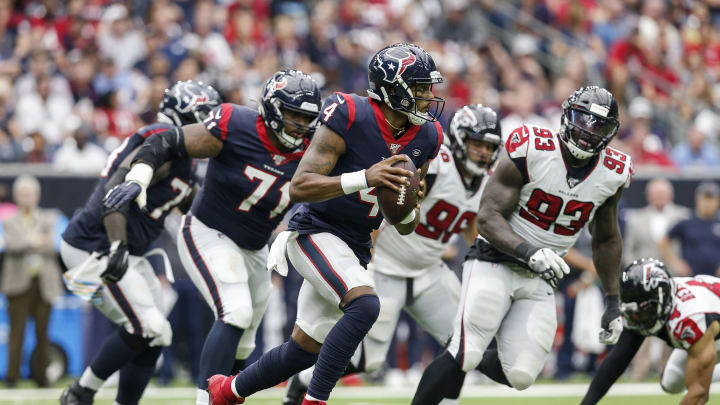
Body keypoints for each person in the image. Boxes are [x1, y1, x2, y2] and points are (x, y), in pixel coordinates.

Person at [205, 42, 445, 405]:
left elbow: (406, 224)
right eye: (421, 88)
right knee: (365, 305)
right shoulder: (350, 113)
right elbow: (300, 187)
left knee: (302, 350)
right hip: (313, 232)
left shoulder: (427, 136)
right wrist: (366, 176)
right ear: (393, 88)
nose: (429, 96)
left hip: (356, 244)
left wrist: (409, 203)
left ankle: (226, 391)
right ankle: (314, 401)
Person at [104, 69, 322, 405]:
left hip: (255, 246)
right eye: (293, 114)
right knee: (235, 312)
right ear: (272, 109)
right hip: (208, 231)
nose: (300, 124)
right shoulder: (237, 124)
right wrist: (140, 177)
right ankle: (204, 401)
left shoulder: (315, 147)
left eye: (307, 117)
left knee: (247, 339)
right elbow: (166, 141)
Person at [411, 86, 632, 405]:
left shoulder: (614, 172)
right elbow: (487, 217)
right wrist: (530, 251)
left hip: (542, 277)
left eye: (600, 127)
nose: (588, 134)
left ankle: (469, 355)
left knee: (521, 374)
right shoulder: (532, 146)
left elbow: (607, 238)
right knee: (465, 351)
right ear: (566, 117)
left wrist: (613, 300)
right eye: (583, 121)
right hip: (494, 261)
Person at [282, 104, 502, 405]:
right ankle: (305, 378)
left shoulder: (488, 179)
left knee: (463, 342)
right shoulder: (438, 165)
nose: (482, 153)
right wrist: (365, 260)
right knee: (368, 361)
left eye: (489, 147)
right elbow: (384, 205)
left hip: (428, 268)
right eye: (476, 144)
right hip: (385, 266)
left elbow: (472, 227)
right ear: (459, 140)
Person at [58, 80, 221, 405]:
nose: (209, 129)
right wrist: (117, 246)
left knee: (158, 334)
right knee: (148, 327)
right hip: (95, 246)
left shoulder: (186, 158)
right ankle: (80, 393)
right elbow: (114, 194)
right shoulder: (160, 143)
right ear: (180, 118)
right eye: (201, 120)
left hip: (125, 249)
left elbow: (187, 204)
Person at [580, 258, 720, 405]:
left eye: (643, 310)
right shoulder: (653, 304)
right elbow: (617, 361)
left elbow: (699, 394)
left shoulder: (690, 319)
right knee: (671, 381)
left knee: (697, 382)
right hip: (708, 317)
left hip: (711, 323)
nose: (636, 317)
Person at [1, 175, 64, 387]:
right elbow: (11, 245)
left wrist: (28, 242)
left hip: (44, 282)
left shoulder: (50, 217)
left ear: (37, 196)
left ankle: (42, 377)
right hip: (18, 283)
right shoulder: (8, 220)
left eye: (30, 194)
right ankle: (12, 377)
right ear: (17, 197)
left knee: (43, 333)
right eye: (23, 194)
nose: (27, 198)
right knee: (16, 333)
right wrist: (35, 240)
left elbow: (52, 246)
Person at [659, 181, 720, 277]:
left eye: (711, 199)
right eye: (705, 199)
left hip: (716, 280)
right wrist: (675, 263)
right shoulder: (686, 221)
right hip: (691, 279)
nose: (708, 203)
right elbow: (664, 241)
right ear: (697, 200)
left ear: (718, 201)